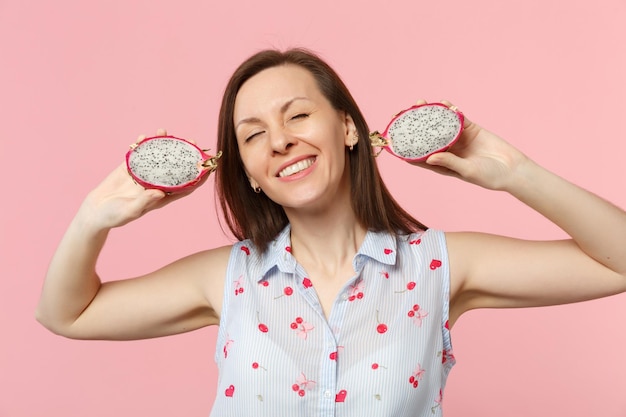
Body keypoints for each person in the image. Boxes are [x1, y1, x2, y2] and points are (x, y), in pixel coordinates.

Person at [36, 48, 626, 417]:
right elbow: (67, 314)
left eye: (297, 114)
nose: (280, 140)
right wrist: (94, 217)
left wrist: (516, 175)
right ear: (250, 173)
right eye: (252, 134)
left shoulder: (438, 266)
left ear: (347, 127)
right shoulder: (228, 277)